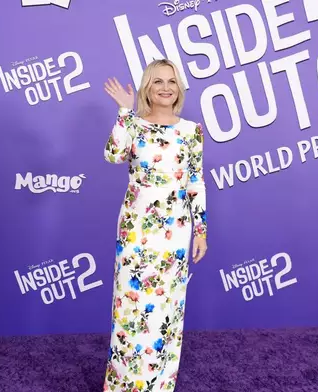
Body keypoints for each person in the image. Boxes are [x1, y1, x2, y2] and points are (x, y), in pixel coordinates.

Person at [102, 59, 208, 392]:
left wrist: (201, 230)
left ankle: (158, 386)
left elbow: (195, 182)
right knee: (130, 310)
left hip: (174, 232)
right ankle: (122, 385)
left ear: (179, 88)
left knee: (166, 312)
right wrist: (123, 110)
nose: (165, 87)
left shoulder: (192, 131)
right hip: (136, 231)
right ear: (147, 87)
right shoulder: (133, 124)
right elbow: (113, 155)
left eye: (172, 82)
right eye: (158, 81)